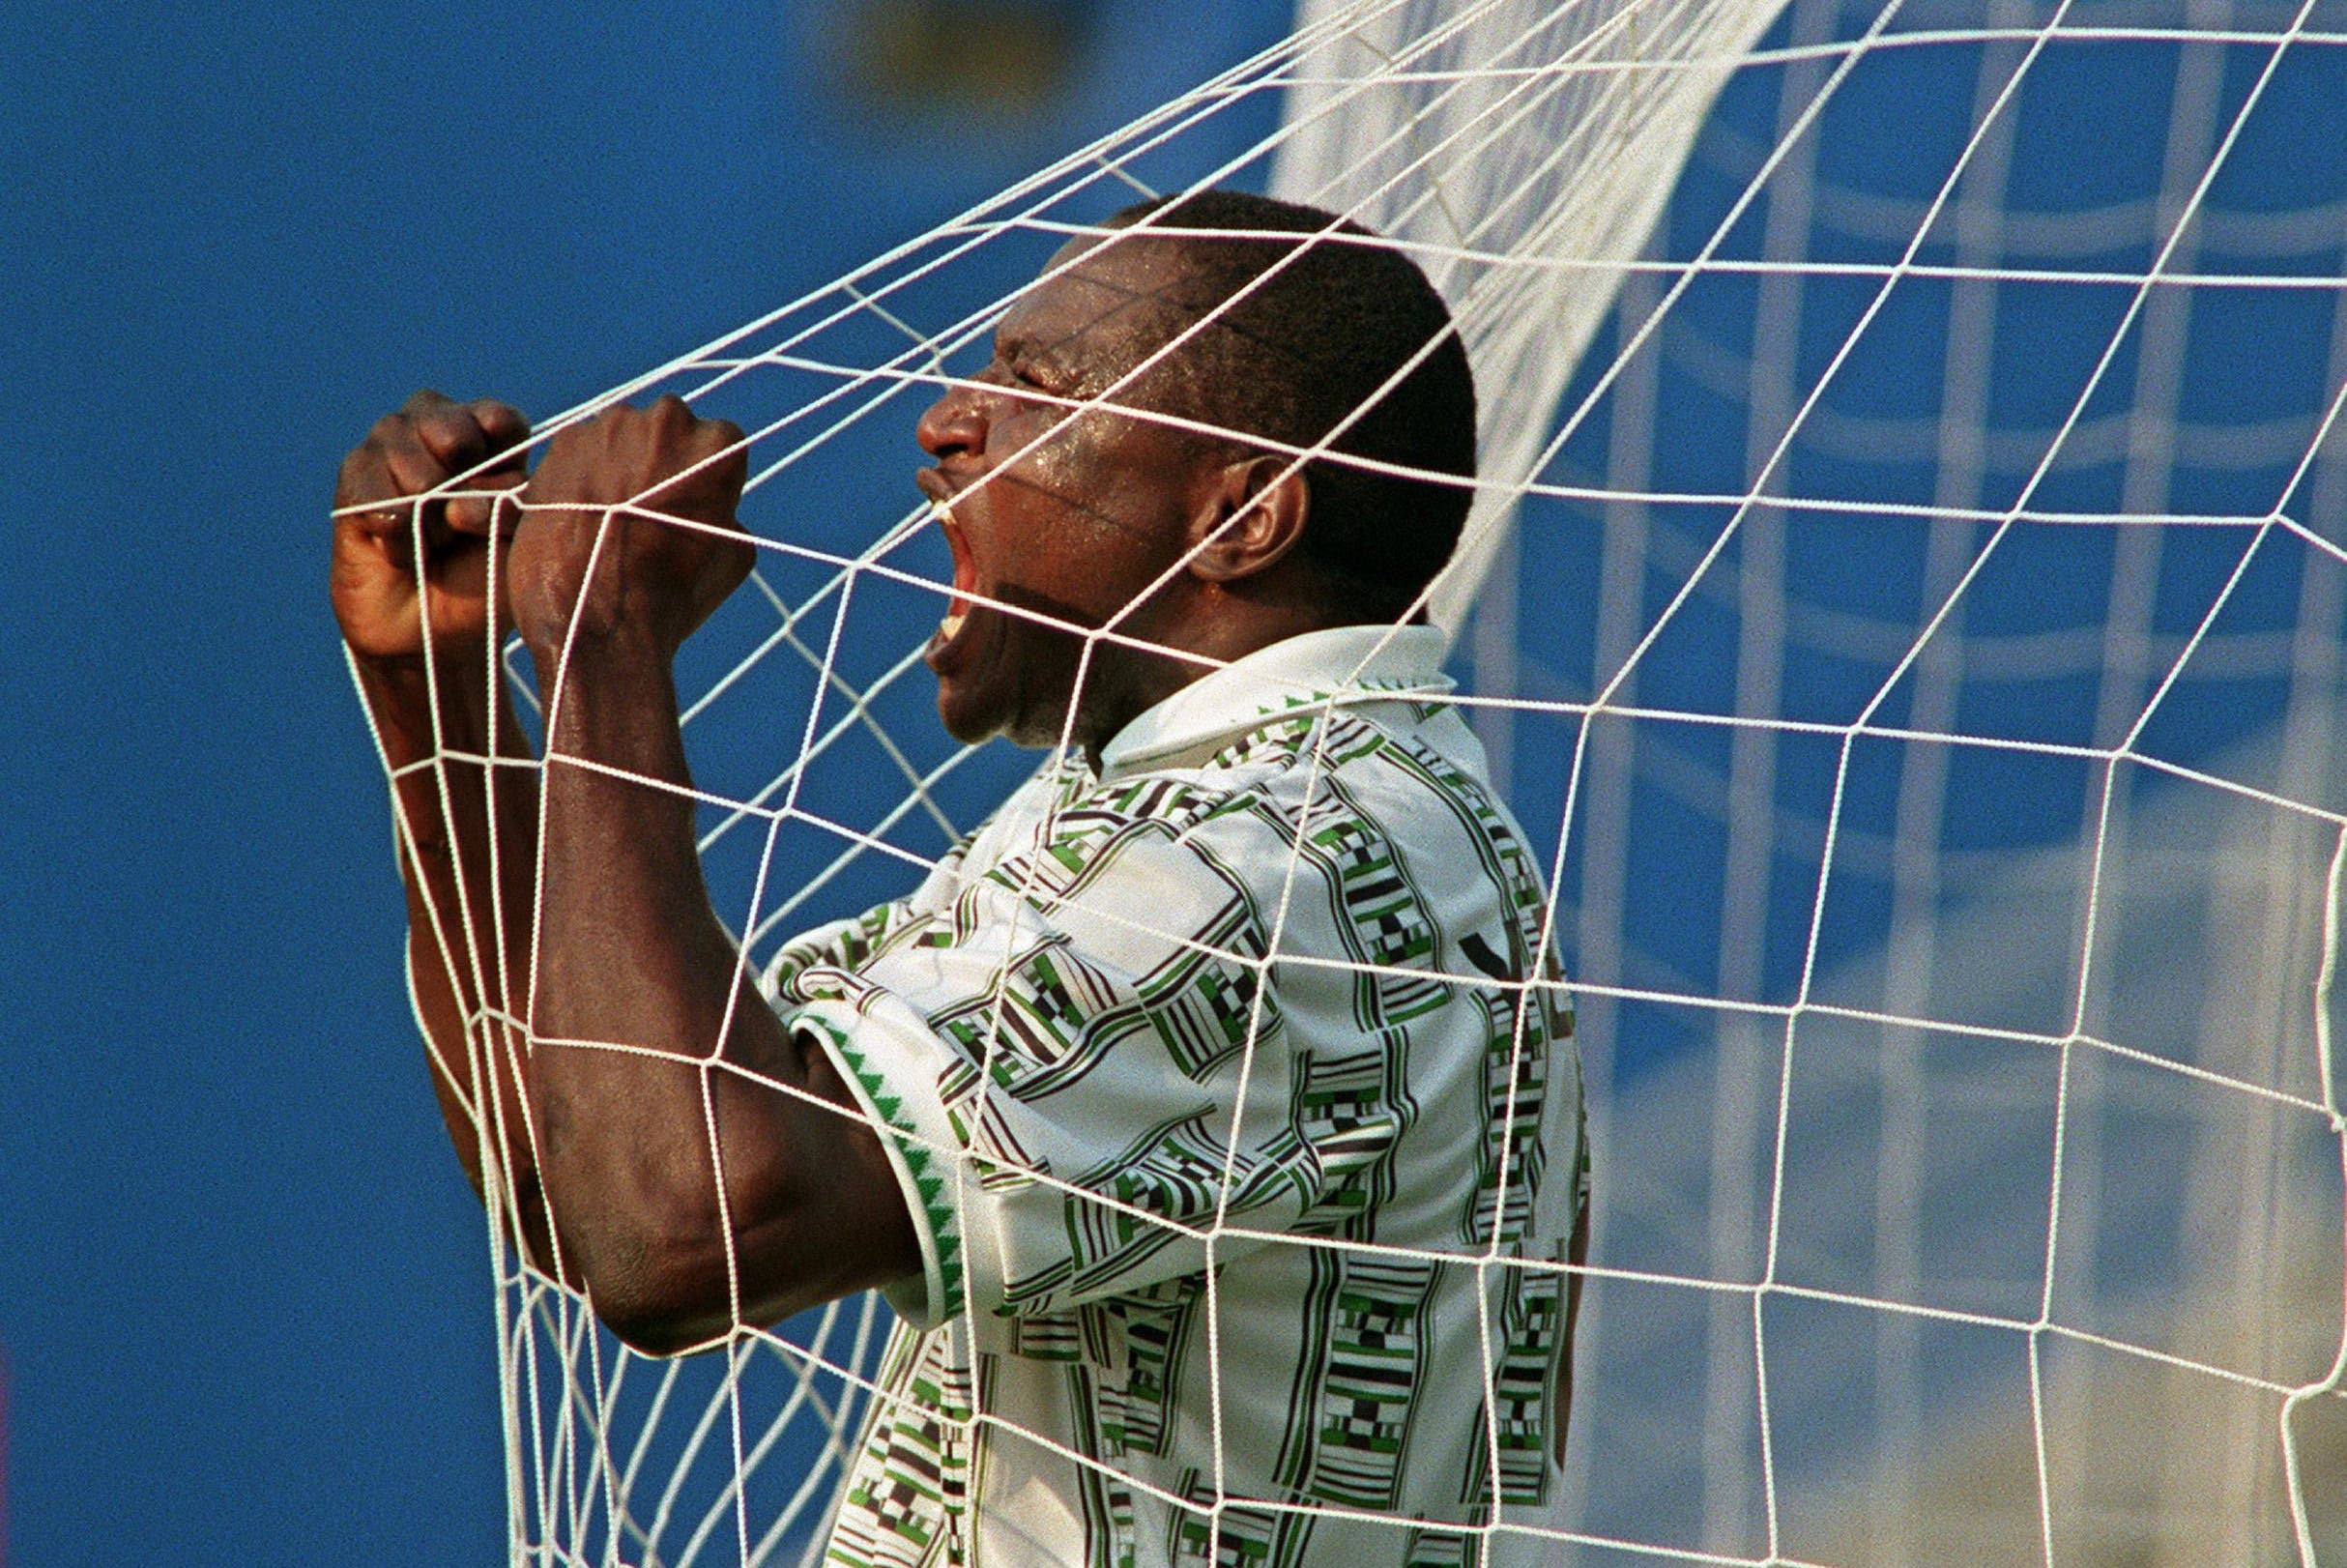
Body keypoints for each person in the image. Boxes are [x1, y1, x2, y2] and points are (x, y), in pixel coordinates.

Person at [333, 189, 1587, 1567]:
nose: (944, 421)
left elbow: (680, 1228)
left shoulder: (1282, 870)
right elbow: (582, 1161)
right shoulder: (1175, 816)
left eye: (1033, 386)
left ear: (1240, 519)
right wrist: (438, 687)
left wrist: (605, 634)